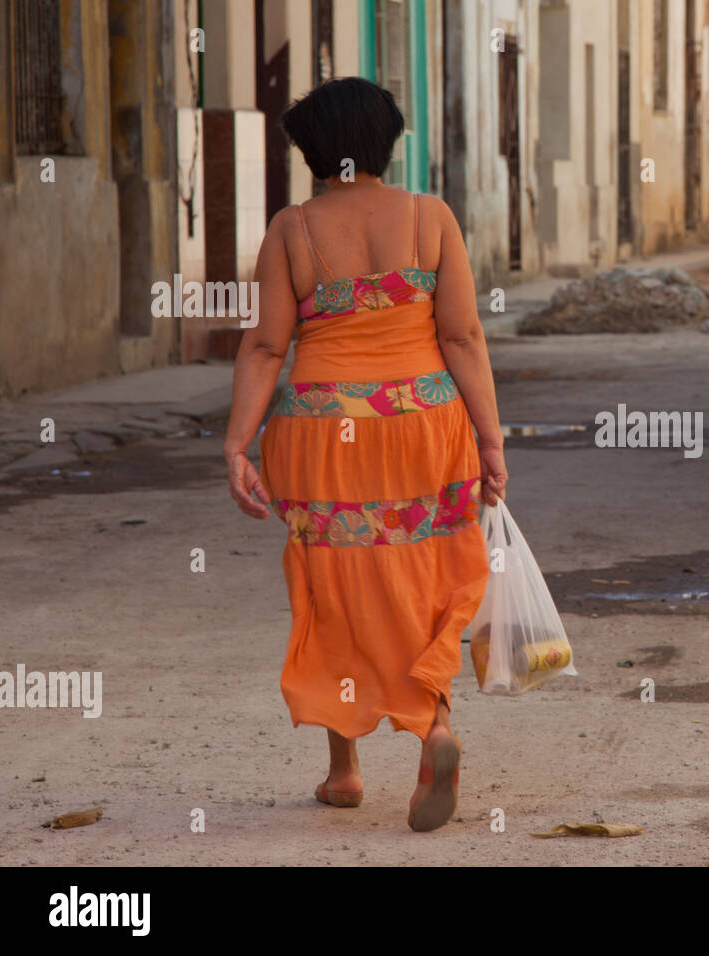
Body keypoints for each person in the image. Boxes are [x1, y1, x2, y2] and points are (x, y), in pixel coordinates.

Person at [222, 77, 508, 832]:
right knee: (430, 567)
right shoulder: (432, 218)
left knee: (337, 579)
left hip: (322, 427)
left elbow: (265, 346)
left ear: (314, 152)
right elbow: (462, 338)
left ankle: (344, 771)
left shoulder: (292, 230)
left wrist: (237, 443)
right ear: (387, 142)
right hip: (422, 420)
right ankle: (434, 729)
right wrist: (490, 437)